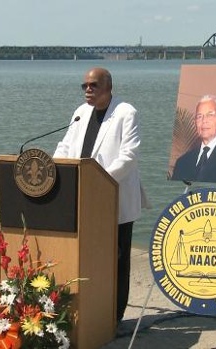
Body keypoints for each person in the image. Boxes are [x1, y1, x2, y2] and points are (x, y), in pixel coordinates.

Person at [53, 67, 145, 323]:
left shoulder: (126, 112)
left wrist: (99, 182)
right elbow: (65, 145)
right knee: (87, 258)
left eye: (93, 85)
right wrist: (52, 168)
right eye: (84, 86)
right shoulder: (81, 113)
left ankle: (115, 317)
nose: (88, 90)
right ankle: (90, 314)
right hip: (81, 199)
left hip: (114, 198)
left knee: (117, 262)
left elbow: (129, 156)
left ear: (108, 86)